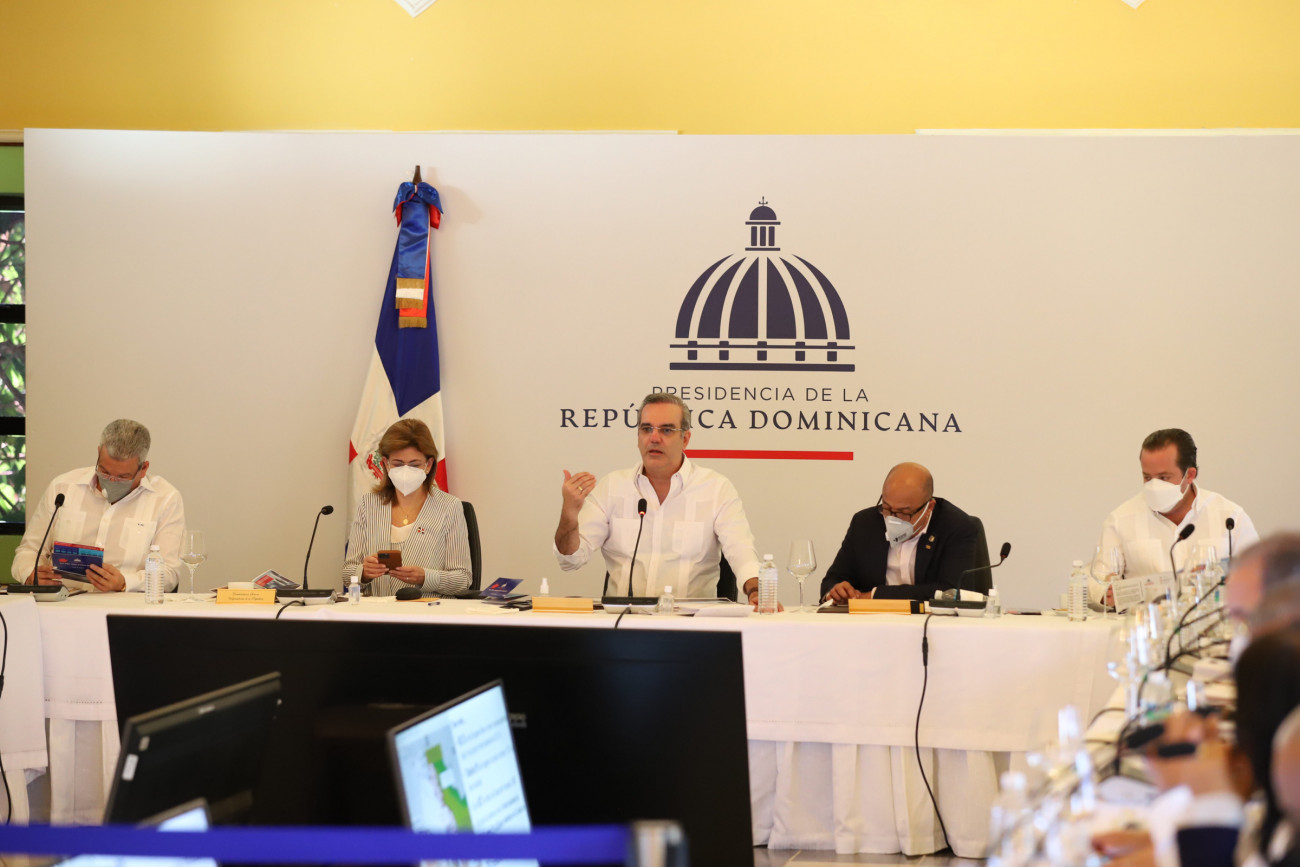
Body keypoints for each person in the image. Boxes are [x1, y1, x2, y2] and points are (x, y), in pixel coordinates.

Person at [554, 392, 761, 601]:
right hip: (623, 618)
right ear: (638, 437)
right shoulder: (612, 487)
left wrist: (756, 592)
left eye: (666, 430)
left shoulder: (716, 489)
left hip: (691, 619)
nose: (654, 438)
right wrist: (569, 514)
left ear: (685, 439)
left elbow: (741, 551)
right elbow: (570, 560)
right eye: (646, 429)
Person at [10, 419, 184, 593]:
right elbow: (28, 550)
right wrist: (30, 573)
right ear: (99, 453)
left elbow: (169, 573)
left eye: (123, 477)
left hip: (124, 605)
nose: (111, 481)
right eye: (105, 472)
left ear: (143, 468)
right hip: (61, 601)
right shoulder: (63, 488)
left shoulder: (165, 499)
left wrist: (124, 582)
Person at [1092, 428, 1259, 608]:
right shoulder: (1121, 519)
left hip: (1214, 620)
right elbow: (1097, 580)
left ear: (1190, 475)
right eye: (1147, 477)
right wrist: (1105, 593)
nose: (1154, 485)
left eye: (1164, 477)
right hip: (1147, 621)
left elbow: (1261, 575)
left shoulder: (1230, 517)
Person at [819, 462, 986, 603]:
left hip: (931, 623)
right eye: (887, 508)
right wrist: (836, 592)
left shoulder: (957, 527)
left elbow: (952, 591)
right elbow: (833, 580)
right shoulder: (865, 523)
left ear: (929, 507)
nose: (893, 518)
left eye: (904, 513)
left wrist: (875, 595)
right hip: (871, 623)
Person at [342, 419, 471, 598]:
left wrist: (426, 577)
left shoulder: (449, 507)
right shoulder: (368, 504)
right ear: (386, 464)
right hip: (377, 612)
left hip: (428, 612)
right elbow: (348, 573)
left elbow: (463, 579)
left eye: (414, 464)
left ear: (428, 465)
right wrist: (363, 572)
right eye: (397, 464)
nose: (405, 470)